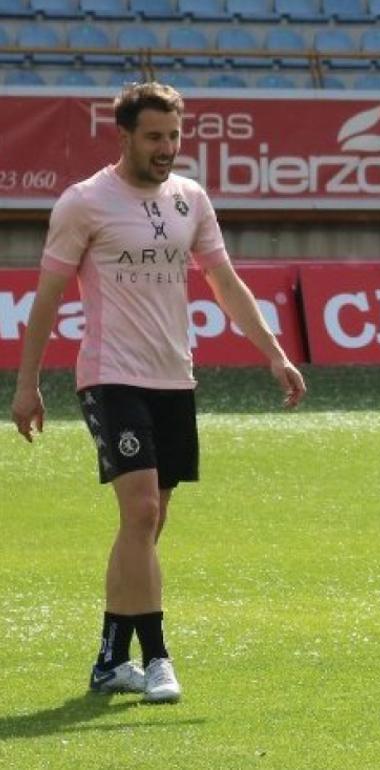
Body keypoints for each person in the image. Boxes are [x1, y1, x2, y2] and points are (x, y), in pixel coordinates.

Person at [9, 82, 306, 704]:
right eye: (154, 136)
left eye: (174, 135)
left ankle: (112, 657)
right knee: (141, 512)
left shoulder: (189, 199)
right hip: (110, 376)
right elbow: (48, 298)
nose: (167, 148)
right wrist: (28, 383)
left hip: (175, 376)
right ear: (124, 136)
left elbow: (224, 282)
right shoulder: (84, 202)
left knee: (147, 523)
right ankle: (158, 656)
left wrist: (274, 353)